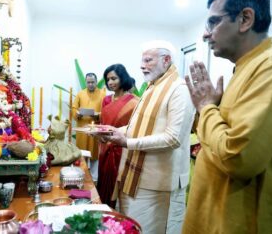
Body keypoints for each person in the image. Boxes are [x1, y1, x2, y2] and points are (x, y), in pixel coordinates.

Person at [183, 0, 272, 233]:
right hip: (214, 214)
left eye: (214, 22)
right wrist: (212, 106)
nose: (206, 35)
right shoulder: (247, 66)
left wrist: (206, 108)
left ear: (245, 19)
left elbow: (239, 158)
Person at [99, 41, 195, 233]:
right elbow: (136, 127)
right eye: (142, 60)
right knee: (130, 227)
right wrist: (113, 132)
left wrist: (127, 142)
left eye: (148, 60)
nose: (142, 65)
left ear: (166, 60)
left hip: (159, 184)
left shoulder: (179, 89)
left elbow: (173, 138)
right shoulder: (152, 87)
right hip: (133, 176)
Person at [97, 64, 138, 208]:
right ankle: (102, 211)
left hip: (121, 149)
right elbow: (102, 124)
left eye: (114, 78)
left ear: (123, 78)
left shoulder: (134, 102)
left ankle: (115, 216)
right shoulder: (106, 100)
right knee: (103, 181)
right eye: (108, 80)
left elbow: (133, 128)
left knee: (117, 186)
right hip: (104, 147)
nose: (110, 83)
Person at [72, 73, 105, 181]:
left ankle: (95, 179)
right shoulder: (80, 94)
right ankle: (82, 176)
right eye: (88, 82)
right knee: (82, 153)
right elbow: (74, 108)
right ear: (86, 82)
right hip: (82, 127)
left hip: (95, 128)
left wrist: (97, 115)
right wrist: (77, 114)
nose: (90, 84)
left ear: (96, 82)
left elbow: (106, 110)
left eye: (93, 82)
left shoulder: (102, 94)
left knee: (95, 153)